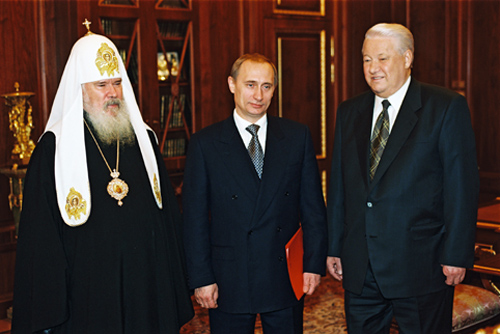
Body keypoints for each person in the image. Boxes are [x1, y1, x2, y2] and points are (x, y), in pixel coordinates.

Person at [11, 30, 194, 333]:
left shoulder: (144, 140)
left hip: (144, 290)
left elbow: (166, 222)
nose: (113, 92)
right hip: (86, 296)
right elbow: (41, 238)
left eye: (117, 83)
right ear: (80, 90)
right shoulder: (53, 149)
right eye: (102, 84)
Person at [326, 23, 479, 333]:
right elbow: (340, 185)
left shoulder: (446, 107)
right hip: (360, 264)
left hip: (421, 265)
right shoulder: (348, 111)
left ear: (407, 58)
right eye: (366, 59)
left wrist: (456, 254)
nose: (373, 68)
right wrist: (334, 245)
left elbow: (461, 187)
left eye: (382, 58)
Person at [182, 53, 327, 333]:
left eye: (267, 86)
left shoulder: (297, 137)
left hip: (284, 273)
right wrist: (201, 277)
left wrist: (313, 264)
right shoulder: (205, 143)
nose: (258, 95)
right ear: (231, 84)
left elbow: (313, 209)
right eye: (250, 84)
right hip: (229, 276)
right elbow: (194, 219)